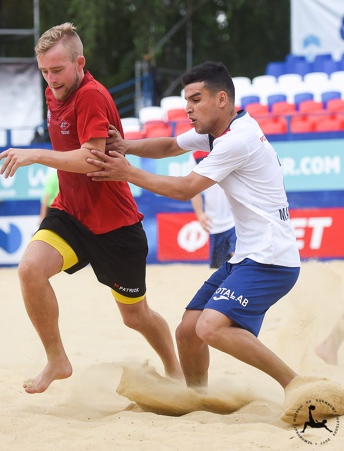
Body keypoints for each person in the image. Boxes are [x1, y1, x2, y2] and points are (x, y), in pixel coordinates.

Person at [85, 61, 302, 393]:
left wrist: (127, 172)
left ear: (221, 99)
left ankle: (297, 385)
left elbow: (185, 189)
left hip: (271, 260)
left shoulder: (237, 140)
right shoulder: (218, 132)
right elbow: (171, 146)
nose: (188, 108)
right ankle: (198, 398)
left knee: (209, 328)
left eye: (196, 99)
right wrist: (127, 146)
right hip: (247, 255)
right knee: (187, 331)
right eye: (186, 100)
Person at [0, 22, 183, 394]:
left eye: (57, 70)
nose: (50, 79)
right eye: (44, 72)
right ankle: (57, 360)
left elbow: (91, 159)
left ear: (79, 63)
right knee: (30, 270)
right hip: (70, 213)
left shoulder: (91, 96)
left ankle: (176, 371)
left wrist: (36, 154)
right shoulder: (55, 92)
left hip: (115, 226)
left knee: (135, 316)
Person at [189, 151, 236, 269]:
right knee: (221, 268)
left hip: (237, 217)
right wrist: (200, 214)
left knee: (238, 258)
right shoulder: (196, 155)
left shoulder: (233, 145)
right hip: (214, 222)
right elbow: (193, 188)